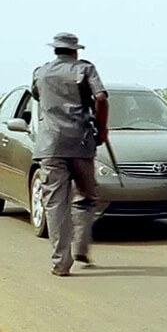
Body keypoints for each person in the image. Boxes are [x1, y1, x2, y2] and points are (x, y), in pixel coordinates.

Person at [31, 32, 109, 276]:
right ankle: (81, 245)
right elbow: (101, 98)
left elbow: (38, 96)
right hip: (81, 142)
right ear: (75, 51)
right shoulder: (85, 69)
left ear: (55, 50)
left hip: (50, 146)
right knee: (86, 196)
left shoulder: (40, 72)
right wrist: (102, 128)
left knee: (55, 204)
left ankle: (60, 263)